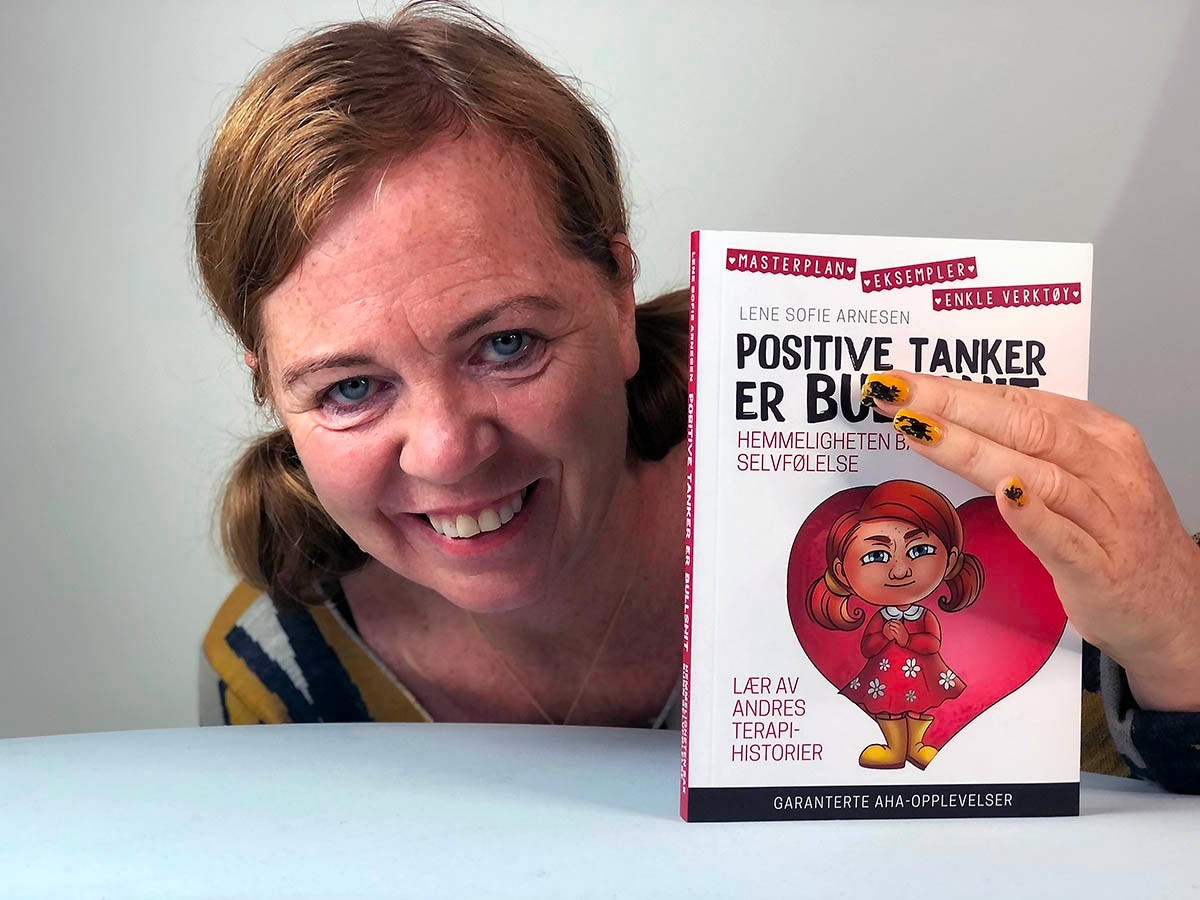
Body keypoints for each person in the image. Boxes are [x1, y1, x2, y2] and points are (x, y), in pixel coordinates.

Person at [194, 2, 1200, 793]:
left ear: (617, 297)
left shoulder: (876, 526)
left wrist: (1180, 638)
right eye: (351, 388)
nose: (449, 450)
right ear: (271, 390)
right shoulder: (276, 667)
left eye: (506, 344)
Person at [806, 481, 982, 770]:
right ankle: (895, 748)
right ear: (842, 572)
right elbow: (868, 647)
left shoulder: (923, 615)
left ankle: (916, 745)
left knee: (918, 708)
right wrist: (883, 636)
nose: (900, 570)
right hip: (886, 676)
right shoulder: (882, 617)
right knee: (889, 710)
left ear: (950, 561)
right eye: (876, 556)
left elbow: (932, 643)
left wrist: (907, 640)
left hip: (921, 674)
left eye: (920, 549)